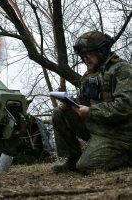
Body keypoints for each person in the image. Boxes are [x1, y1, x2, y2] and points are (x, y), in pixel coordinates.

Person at [52, 31, 132, 173]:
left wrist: (91, 112)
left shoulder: (122, 70)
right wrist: (70, 104)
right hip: (98, 126)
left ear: (101, 51)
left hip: (120, 134)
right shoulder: (89, 75)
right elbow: (85, 102)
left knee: (87, 166)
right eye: (83, 56)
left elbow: (125, 106)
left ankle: (126, 155)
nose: (85, 59)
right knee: (59, 112)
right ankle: (73, 158)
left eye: (89, 54)